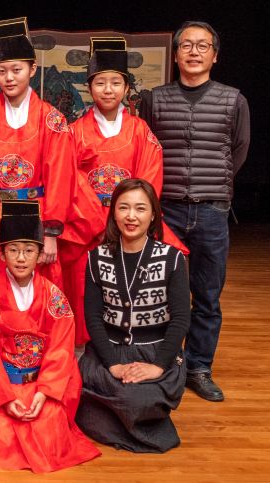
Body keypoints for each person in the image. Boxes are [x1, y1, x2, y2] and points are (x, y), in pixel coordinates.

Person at [138, 21, 250, 402]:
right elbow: (146, 147)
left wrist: (213, 182)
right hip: (165, 209)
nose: (194, 52)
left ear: (215, 56)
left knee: (207, 294)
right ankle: (162, 362)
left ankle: (199, 367)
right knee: (159, 291)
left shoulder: (233, 100)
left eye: (203, 46)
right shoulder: (154, 99)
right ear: (175, 55)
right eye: (186, 45)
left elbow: (238, 149)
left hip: (212, 211)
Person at [0, 17, 100, 331]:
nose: (9, 78)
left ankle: (38, 351)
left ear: (32, 69)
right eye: (2, 71)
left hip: (37, 218)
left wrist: (51, 233)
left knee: (40, 293)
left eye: (17, 70)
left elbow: (61, 178)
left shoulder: (51, 119)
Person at [0, 201, 100, 472]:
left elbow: (61, 350)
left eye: (29, 250)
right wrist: (6, 398)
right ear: (2, 254)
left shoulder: (54, 296)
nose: (21, 258)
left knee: (49, 429)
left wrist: (44, 393)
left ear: (40, 255)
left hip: (41, 383)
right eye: (13, 250)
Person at [67, 37, 187, 344]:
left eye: (115, 83)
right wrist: (102, 224)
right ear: (89, 88)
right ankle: (85, 352)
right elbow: (70, 181)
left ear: (126, 88)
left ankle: (138, 343)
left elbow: (148, 180)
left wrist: (129, 218)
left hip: (132, 225)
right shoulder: (75, 133)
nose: (108, 90)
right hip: (88, 228)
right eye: (100, 83)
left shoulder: (140, 130)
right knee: (82, 287)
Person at [75, 178, 190, 452]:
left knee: (136, 399)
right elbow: (93, 318)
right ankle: (125, 418)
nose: (131, 216)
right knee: (75, 388)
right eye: (123, 207)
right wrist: (113, 365)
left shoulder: (172, 258)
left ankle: (123, 416)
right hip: (109, 352)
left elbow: (180, 320)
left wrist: (157, 366)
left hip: (154, 351)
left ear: (153, 216)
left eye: (140, 208)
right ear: (114, 213)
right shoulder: (96, 257)